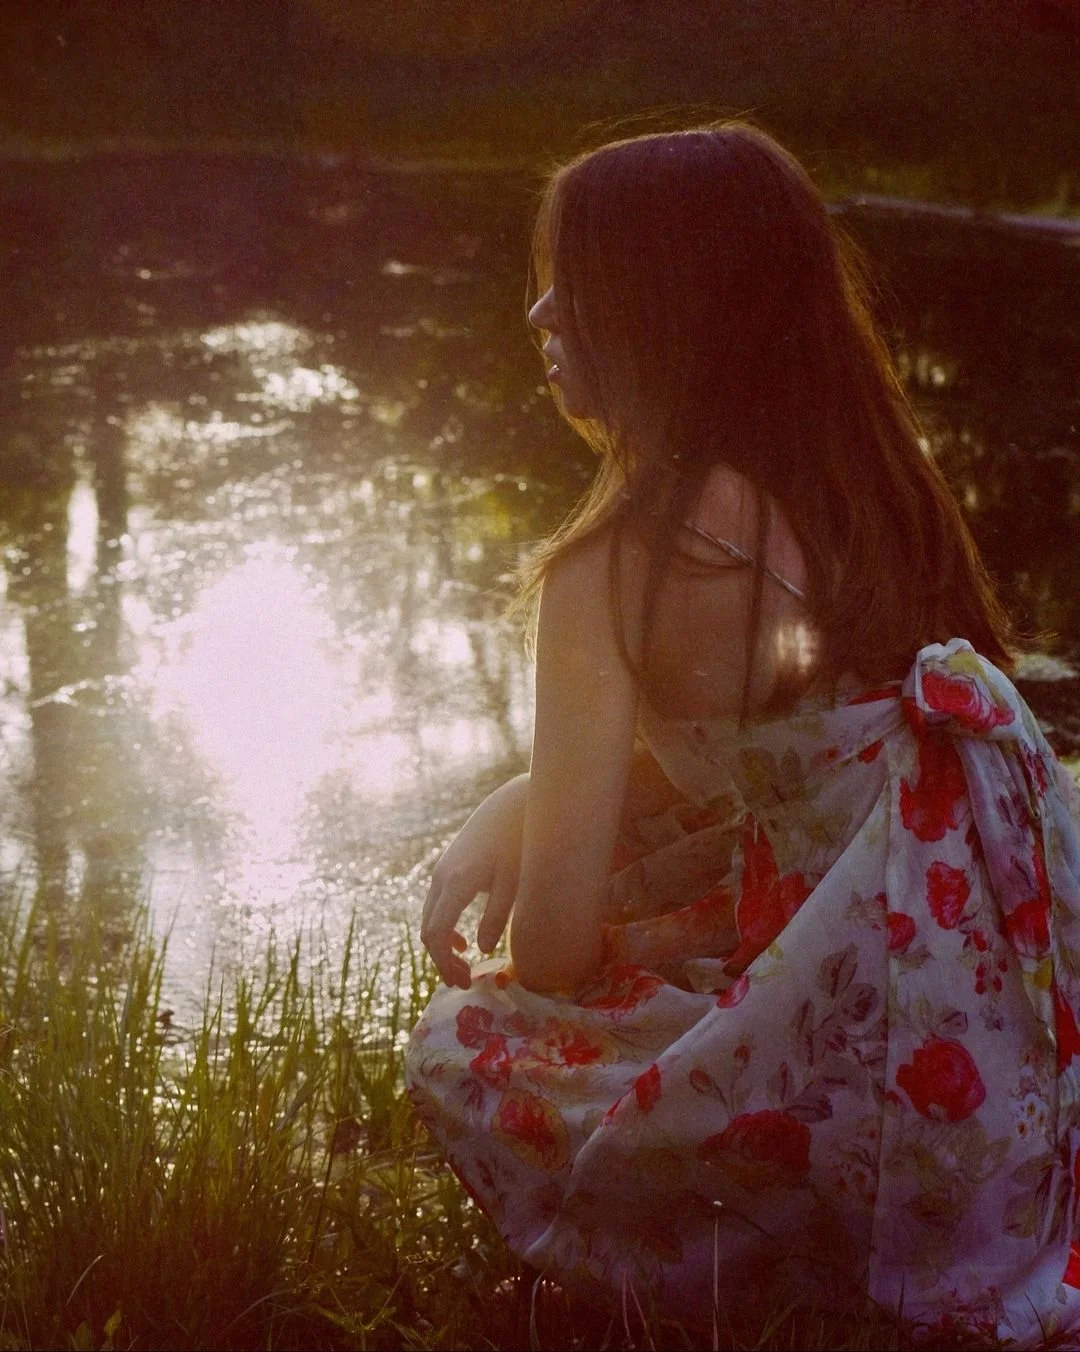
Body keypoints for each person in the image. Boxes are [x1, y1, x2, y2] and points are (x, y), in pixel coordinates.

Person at [404, 123, 1080, 1347]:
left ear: (674, 312)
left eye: (583, 279)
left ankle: (766, 1258)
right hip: (1019, 1074)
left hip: (865, 1125)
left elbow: (549, 949)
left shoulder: (613, 571)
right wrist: (522, 793)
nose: (542, 310)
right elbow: (811, 724)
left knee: (467, 1042)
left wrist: (553, 851)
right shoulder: (880, 491)